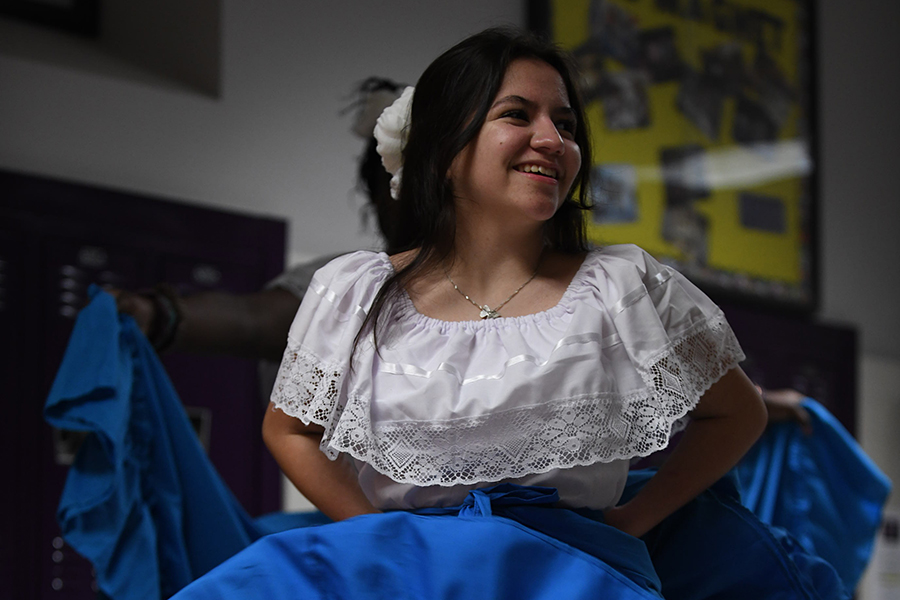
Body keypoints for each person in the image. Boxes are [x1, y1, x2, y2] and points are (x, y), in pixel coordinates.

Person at [173, 28, 849, 600]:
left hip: (574, 574)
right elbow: (288, 429)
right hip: (404, 569)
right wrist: (367, 530)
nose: (551, 139)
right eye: (518, 114)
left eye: (566, 123)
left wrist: (634, 519)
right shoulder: (353, 291)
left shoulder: (624, 287)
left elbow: (739, 412)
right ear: (444, 148)